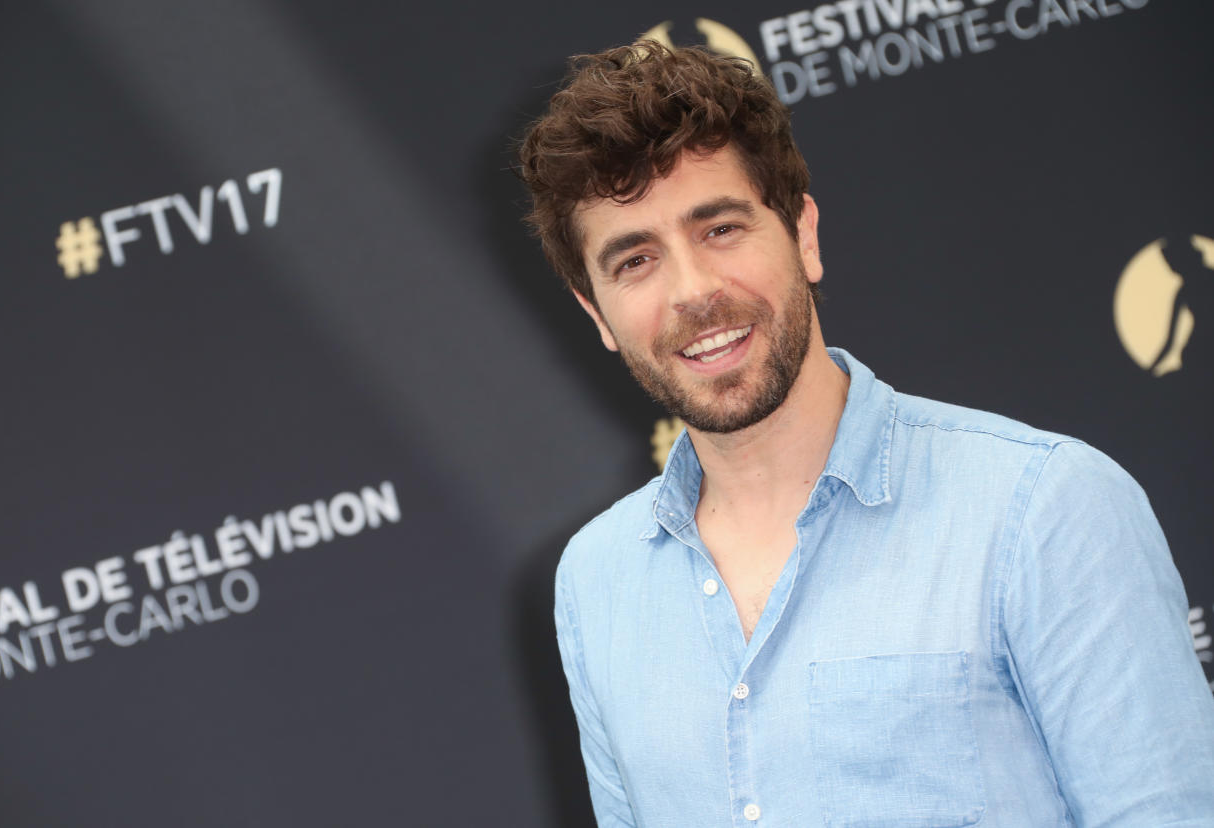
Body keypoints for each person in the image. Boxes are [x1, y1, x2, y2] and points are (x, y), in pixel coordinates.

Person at [517, 41, 1214, 826]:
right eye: (635, 260)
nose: (693, 292)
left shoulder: (1047, 510)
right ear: (596, 313)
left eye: (719, 229)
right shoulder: (596, 580)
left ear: (803, 234)